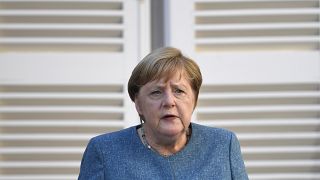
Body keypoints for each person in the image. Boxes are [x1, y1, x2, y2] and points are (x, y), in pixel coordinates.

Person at [78, 47, 249, 179]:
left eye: (179, 91)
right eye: (156, 92)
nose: (169, 102)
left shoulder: (223, 145)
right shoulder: (104, 151)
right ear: (138, 104)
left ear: (194, 100)